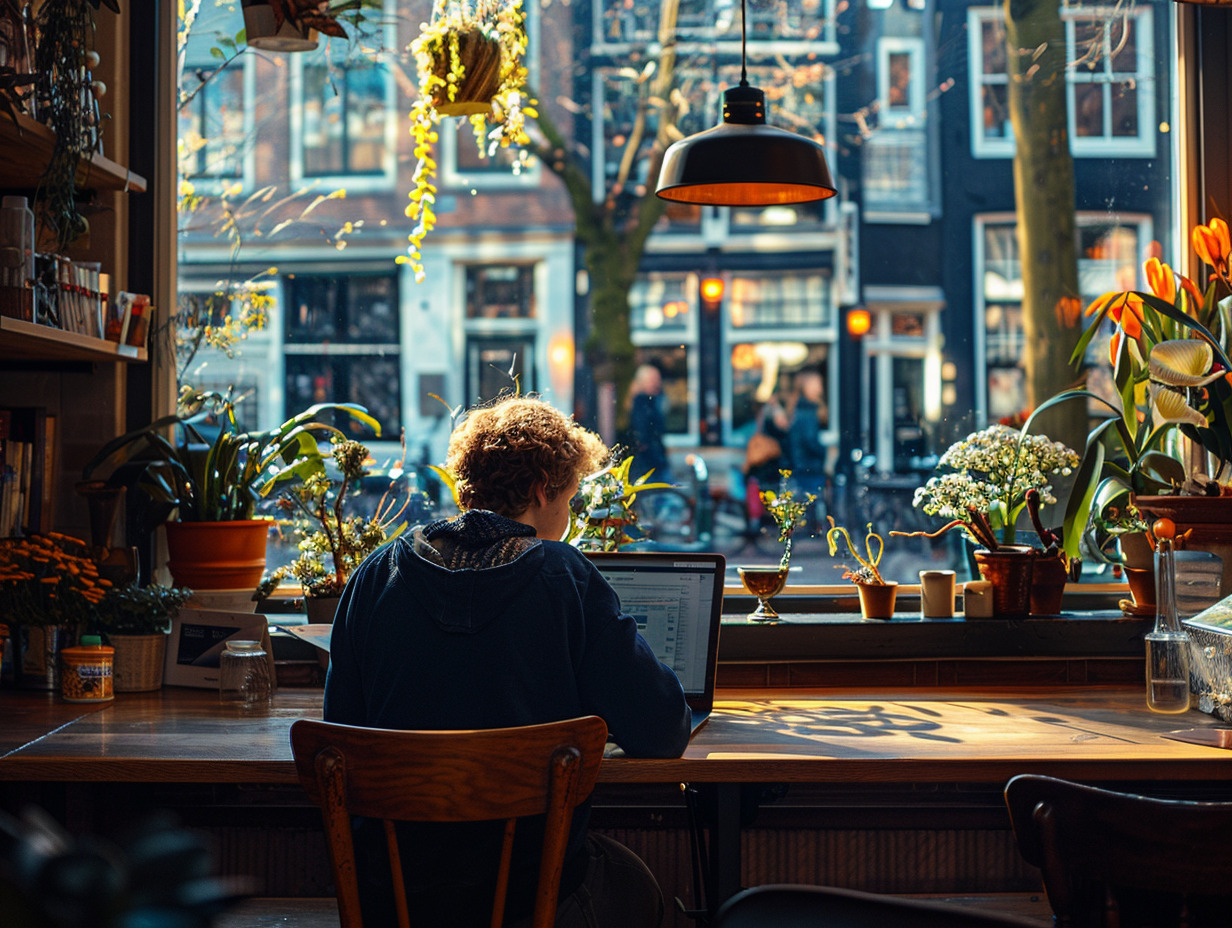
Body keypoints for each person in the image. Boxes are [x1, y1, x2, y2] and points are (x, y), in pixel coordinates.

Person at [324, 394, 692, 928]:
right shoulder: (565, 578)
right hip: (527, 901)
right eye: (567, 499)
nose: (567, 517)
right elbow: (663, 731)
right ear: (542, 489)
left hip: (393, 899)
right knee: (644, 886)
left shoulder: (376, 576)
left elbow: (341, 735)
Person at [787, 370, 828, 526]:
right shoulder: (808, 411)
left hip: (802, 464)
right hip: (809, 464)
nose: (820, 389)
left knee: (807, 499)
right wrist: (824, 453)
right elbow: (810, 441)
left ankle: (808, 527)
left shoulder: (799, 409)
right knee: (813, 499)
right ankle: (812, 529)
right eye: (817, 385)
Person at [626, 363, 671, 484]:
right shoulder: (643, 402)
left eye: (657, 379)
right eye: (652, 379)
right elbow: (643, 429)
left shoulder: (651, 401)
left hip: (652, 459)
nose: (656, 383)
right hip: (649, 462)